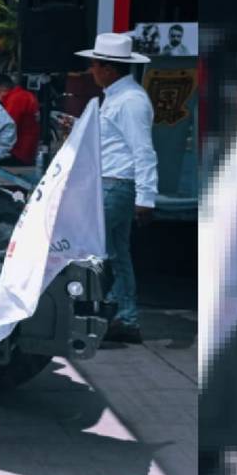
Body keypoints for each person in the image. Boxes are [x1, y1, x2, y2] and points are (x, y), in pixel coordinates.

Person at [73, 32, 159, 344]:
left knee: (95, 250)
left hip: (115, 184)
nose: (91, 70)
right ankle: (124, 317)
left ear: (108, 69)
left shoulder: (129, 101)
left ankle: (109, 313)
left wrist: (146, 197)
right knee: (116, 253)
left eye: (94, 65)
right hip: (114, 183)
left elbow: (143, 151)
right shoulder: (121, 97)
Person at [0, 74, 40, 165]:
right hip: (27, 148)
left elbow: (7, 126)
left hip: (19, 151)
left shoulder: (15, 99)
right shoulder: (24, 95)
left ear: (2, 89)